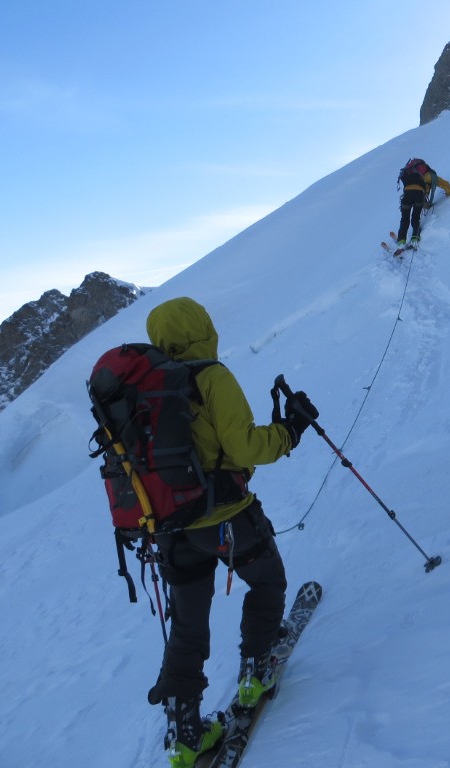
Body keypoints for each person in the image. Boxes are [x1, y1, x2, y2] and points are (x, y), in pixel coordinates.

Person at [142, 296, 318, 768]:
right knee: (267, 581)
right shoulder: (210, 377)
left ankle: (184, 736)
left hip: (168, 528)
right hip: (224, 515)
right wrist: (290, 431)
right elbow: (244, 446)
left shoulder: (142, 389)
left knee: (187, 625)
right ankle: (255, 670)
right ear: (202, 327)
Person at [396, 158, 450, 247]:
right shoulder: (430, 176)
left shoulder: (409, 174)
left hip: (407, 195)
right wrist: (449, 192)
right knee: (415, 217)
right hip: (418, 196)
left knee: (404, 219)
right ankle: (415, 237)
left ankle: (401, 241)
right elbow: (445, 184)